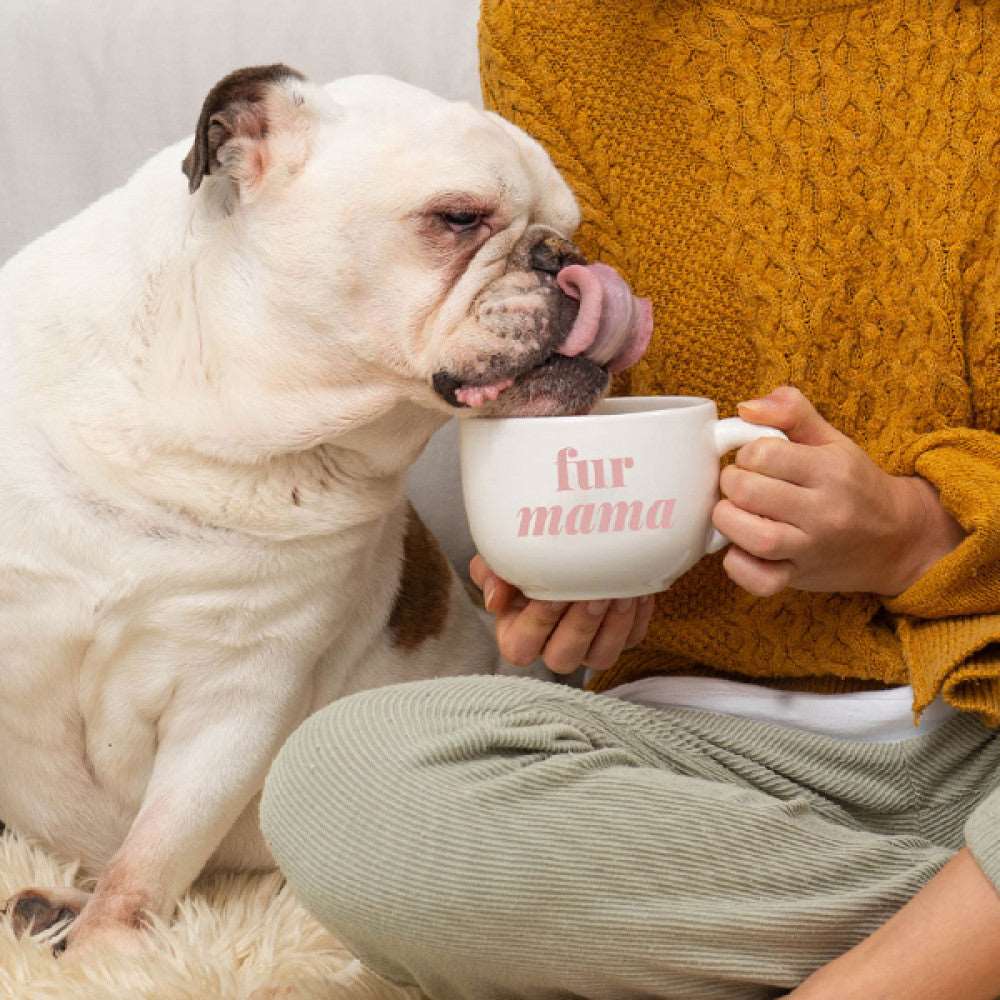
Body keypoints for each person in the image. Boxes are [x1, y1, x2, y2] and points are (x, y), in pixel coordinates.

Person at [260, 1, 1000, 997]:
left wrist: (919, 535)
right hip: (698, 772)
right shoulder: (558, 28)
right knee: (344, 785)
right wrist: (585, 570)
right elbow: (576, 382)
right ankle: (955, 940)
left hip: (980, 737)